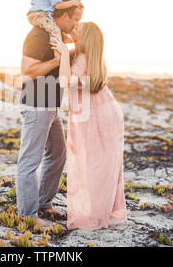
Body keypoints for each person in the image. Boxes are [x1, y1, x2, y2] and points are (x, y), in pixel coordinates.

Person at [55, 21, 128, 231]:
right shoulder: (91, 56)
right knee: (103, 165)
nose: (74, 28)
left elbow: (65, 80)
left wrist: (62, 54)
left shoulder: (82, 58)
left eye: (79, 28)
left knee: (94, 166)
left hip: (97, 116)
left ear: (84, 38)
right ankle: (102, 212)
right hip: (107, 112)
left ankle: (96, 216)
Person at [17, 0, 84, 227]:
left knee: (57, 153)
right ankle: (27, 216)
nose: (76, 25)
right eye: (75, 20)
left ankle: (44, 204)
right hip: (37, 104)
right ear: (63, 16)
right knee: (29, 162)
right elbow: (27, 70)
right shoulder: (39, 34)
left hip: (50, 106)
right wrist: (56, 61)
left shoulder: (57, 36)